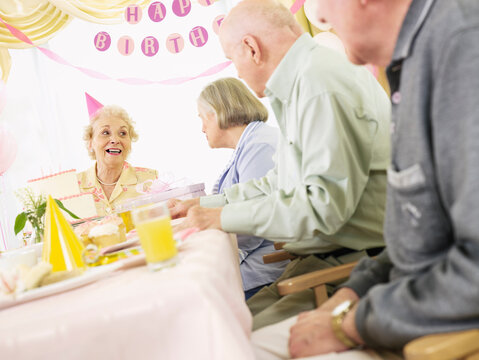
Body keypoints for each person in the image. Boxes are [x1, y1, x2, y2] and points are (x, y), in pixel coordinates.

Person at [252, 0, 479, 359]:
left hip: (435, 334)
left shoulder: (463, 48)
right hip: (399, 306)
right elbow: (419, 242)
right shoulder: (414, 59)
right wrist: (353, 293)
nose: (320, 18)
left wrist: (350, 324)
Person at [169, 0, 391, 330]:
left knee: (218, 336)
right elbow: (279, 182)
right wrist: (207, 205)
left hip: (354, 268)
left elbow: (320, 208)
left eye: (233, 60)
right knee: (211, 324)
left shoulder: (318, 84)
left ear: (251, 48)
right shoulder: (304, 82)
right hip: (320, 262)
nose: (237, 72)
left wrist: (222, 217)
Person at [198, 77, 288, 299]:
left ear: (218, 112)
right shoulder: (250, 143)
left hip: (268, 264)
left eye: (202, 118)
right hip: (259, 257)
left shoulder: (260, 145)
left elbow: (252, 227)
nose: (202, 129)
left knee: (201, 294)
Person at [78, 93, 158, 216]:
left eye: (122, 133)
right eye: (105, 132)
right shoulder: (74, 187)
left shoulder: (150, 180)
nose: (115, 140)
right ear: (90, 143)